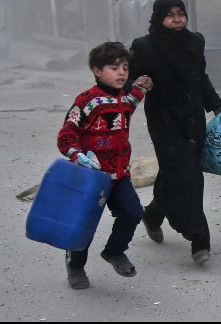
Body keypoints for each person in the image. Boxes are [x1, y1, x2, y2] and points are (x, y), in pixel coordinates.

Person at [129, 0, 221, 265]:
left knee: (186, 173)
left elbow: (201, 77)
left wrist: (217, 106)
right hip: (163, 121)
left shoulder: (195, 41)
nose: (177, 20)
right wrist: (137, 83)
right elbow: (129, 80)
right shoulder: (143, 46)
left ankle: (152, 214)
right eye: (170, 15)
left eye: (181, 13)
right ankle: (199, 239)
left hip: (192, 118)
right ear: (159, 18)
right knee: (182, 173)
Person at [57, 41, 153, 290]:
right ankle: (76, 266)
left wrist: (142, 86)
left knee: (132, 213)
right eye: (113, 67)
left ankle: (114, 251)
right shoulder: (87, 101)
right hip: (91, 177)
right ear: (96, 70)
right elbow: (66, 135)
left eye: (125, 67)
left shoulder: (124, 100)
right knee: (83, 224)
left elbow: (133, 99)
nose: (121, 72)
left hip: (119, 174)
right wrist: (77, 155)